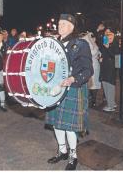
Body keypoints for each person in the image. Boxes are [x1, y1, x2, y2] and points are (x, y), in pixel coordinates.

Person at [45, 14, 93, 170]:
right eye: (59, 23)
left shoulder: (80, 44)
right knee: (56, 123)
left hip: (72, 88)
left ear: (72, 27)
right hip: (55, 88)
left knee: (69, 126)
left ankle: (73, 155)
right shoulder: (54, 43)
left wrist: (73, 79)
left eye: (64, 24)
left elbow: (88, 70)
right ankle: (62, 150)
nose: (60, 26)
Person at [98, 28, 119, 112]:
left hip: (111, 69)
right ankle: (111, 103)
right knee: (105, 84)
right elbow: (104, 55)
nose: (109, 39)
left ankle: (111, 105)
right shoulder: (105, 45)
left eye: (111, 37)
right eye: (108, 37)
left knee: (110, 85)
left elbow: (116, 57)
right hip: (105, 68)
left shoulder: (115, 45)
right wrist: (100, 58)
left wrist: (107, 48)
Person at [81, 30, 101, 109]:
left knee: (94, 84)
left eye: (93, 38)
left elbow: (96, 52)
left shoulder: (94, 45)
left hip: (95, 66)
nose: (92, 39)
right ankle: (90, 100)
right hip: (90, 66)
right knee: (90, 84)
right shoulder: (90, 45)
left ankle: (93, 101)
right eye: (91, 38)